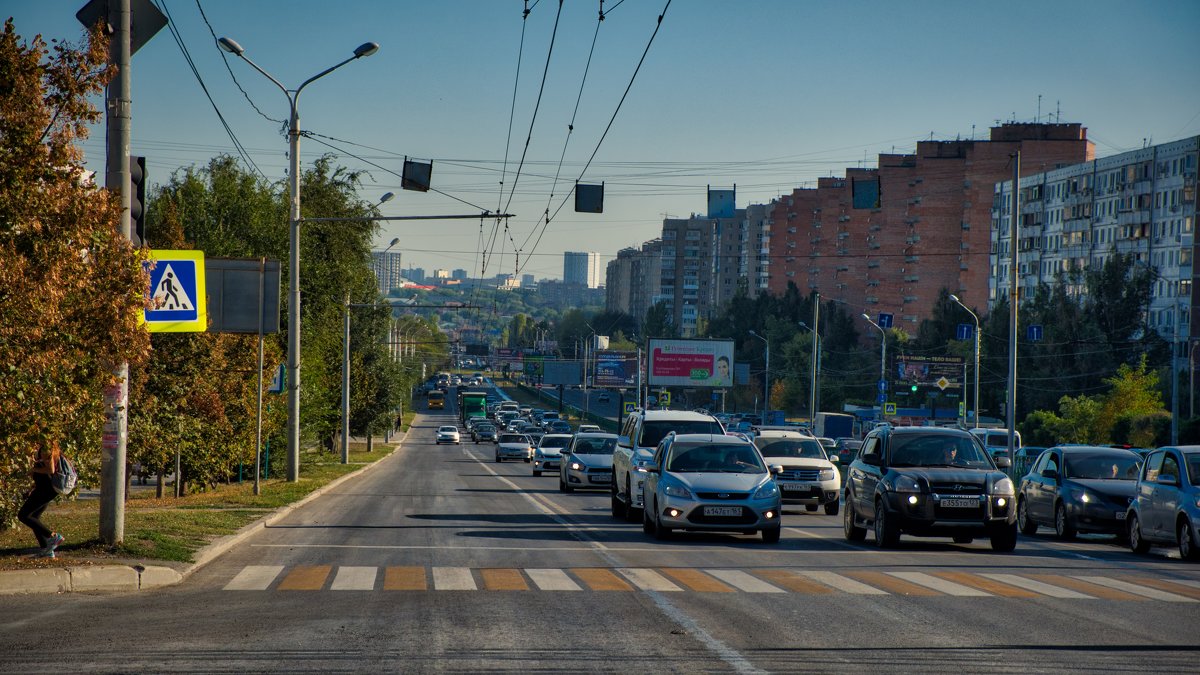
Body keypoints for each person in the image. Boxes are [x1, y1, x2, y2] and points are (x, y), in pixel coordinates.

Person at [17, 439, 65, 558]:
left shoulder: (45, 449)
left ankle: (53, 536)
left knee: (23, 515)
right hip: (43, 488)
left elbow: (50, 470)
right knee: (34, 517)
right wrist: (31, 488)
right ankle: (46, 550)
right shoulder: (46, 448)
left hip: (46, 488)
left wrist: (33, 469)